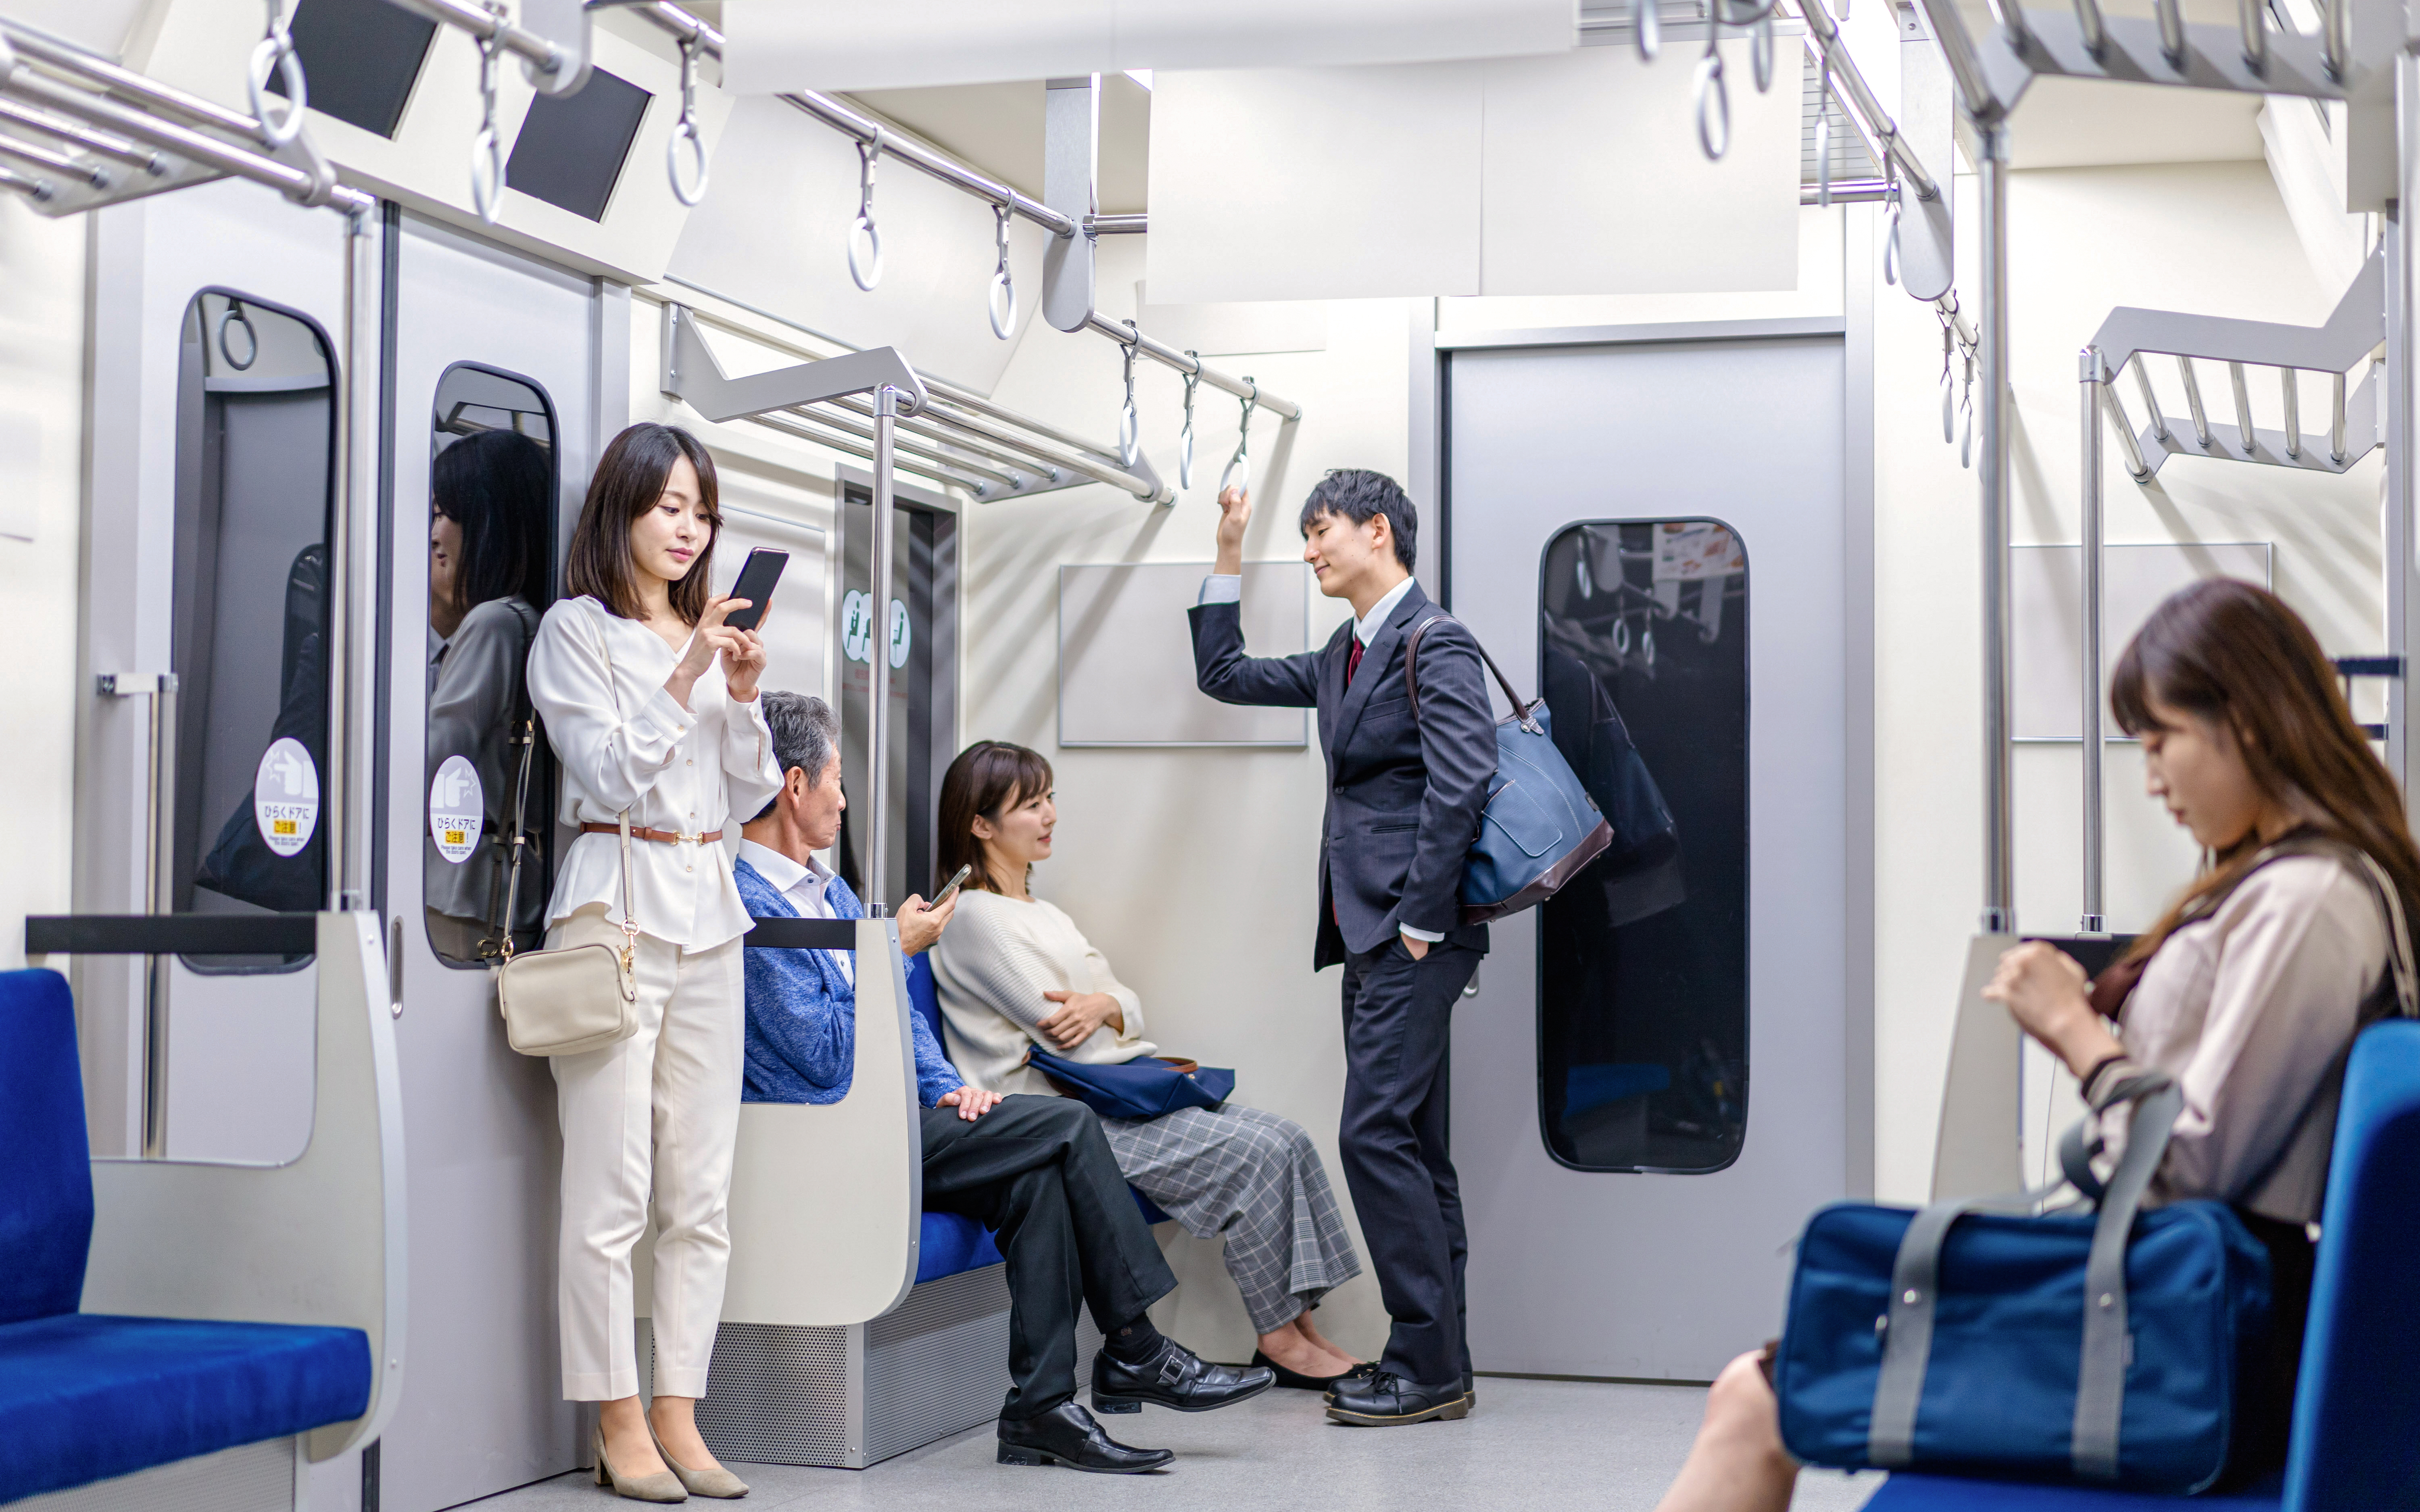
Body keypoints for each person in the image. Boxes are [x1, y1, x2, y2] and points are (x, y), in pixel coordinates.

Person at [1652, 578, 2420, 1512]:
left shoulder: (2308, 902)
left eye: (2161, 738)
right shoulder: (2286, 885)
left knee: (1754, 1395)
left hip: (2199, 1323)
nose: (2150, 778)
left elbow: (2198, 1160)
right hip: (2184, 1296)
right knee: (1772, 1375)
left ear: (2249, 724)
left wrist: (2077, 1035)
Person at [735, 692, 1273, 1474]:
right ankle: (1136, 1345)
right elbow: (821, 1056)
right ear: (794, 786)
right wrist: (890, 951)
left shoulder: (828, 892)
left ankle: (1040, 1411)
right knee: (1067, 1129)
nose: (844, 799)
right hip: (831, 1132)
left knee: (1037, 1181)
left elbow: (903, 1033)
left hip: (896, 1118)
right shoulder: (751, 907)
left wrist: (949, 1087)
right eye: (837, 781)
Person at [1186, 470, 1498, 1426]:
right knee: (1412, 1142)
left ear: (1377, 531)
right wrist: (1229, 549)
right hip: (1369, 933)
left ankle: (1423, 1361)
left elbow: (1464, 782)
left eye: (1320, 533)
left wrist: (1417, 921)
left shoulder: (1432, 641)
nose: (1312, 550)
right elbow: (1224, 675)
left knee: (1373, 1134)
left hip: (1409, 936)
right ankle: (1438, 1359)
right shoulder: (1345, 651)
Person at [930, 739, 1371, 1391]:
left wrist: (1106, 1003)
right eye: (1030, 804)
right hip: (1062, 1115)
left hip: (1107, 1097)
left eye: (1050, 798)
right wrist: (1109, 1011)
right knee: (1257, 1153)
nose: (1050, 814)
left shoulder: (1045, 914)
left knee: (1287, 1137)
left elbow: (1125, 1004)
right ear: (980, 823)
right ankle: (1278, 1339)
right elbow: (1062, 1031)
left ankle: (1301, 1327)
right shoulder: (972, 918)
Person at [524, 422, 781, 1502]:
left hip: (708, 912)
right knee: (611, 1191)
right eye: (668, 504)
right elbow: (612, 773)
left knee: (701, 1192)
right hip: (612, 908)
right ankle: (616, 1414)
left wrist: (748, 692)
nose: (689, 526)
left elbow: (748, 794)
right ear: (621, 510)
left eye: (702, 508)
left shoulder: (710, 637)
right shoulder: (573, 630)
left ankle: (680, 1405)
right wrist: (685, 670)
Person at [425, 428, 554, 963]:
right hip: (506, 896)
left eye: (445, 513)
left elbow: (433, 758)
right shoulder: (526, 621)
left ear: (487, 523)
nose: (435, 534)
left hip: (465, 894)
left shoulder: (494, 625)